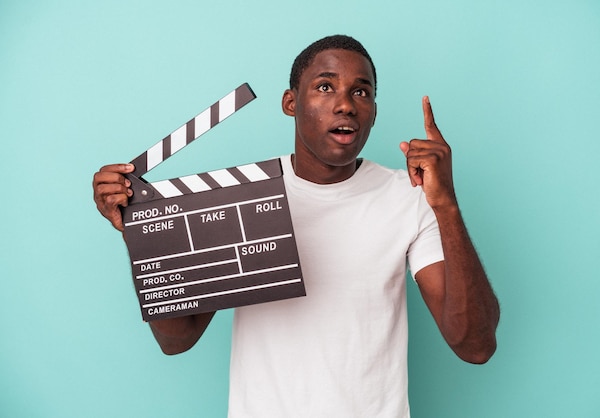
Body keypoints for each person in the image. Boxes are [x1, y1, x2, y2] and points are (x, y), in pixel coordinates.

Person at [93, 35, 500, 417]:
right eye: (325, 87)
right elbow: (176, 339)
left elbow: (475, 345)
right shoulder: (242, 198)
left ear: (374, 111)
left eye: (362, 91)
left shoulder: (408, 197)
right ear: (291, 102)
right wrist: (145, 230)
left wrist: (446, 206)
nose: (346, 105)